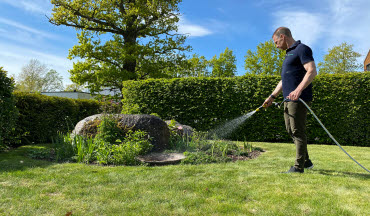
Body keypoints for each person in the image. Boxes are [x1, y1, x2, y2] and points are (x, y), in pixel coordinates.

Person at [262, 27, 317, 173]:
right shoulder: (288, 55)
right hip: (288, 99)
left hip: (299, 99)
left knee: (297, 131)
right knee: (290, 130)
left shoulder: (302, 49)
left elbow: (311, 70)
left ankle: (299, 167)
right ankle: (307, 161)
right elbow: (283, 80)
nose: (276, 45)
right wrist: (272, 97)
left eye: (276, 42)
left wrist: (298, 90)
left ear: (282, 37)